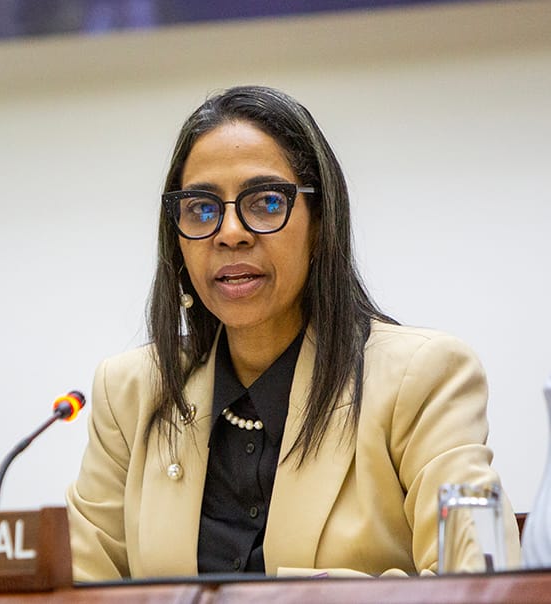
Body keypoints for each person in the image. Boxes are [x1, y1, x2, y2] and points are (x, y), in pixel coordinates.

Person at [66, 85, 520, 579]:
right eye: (200, 208)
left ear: (321, 221)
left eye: (264, 202)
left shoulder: (427, 378)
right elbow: (76, 584)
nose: (230, 232)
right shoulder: (131, 392)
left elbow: (479, 582)